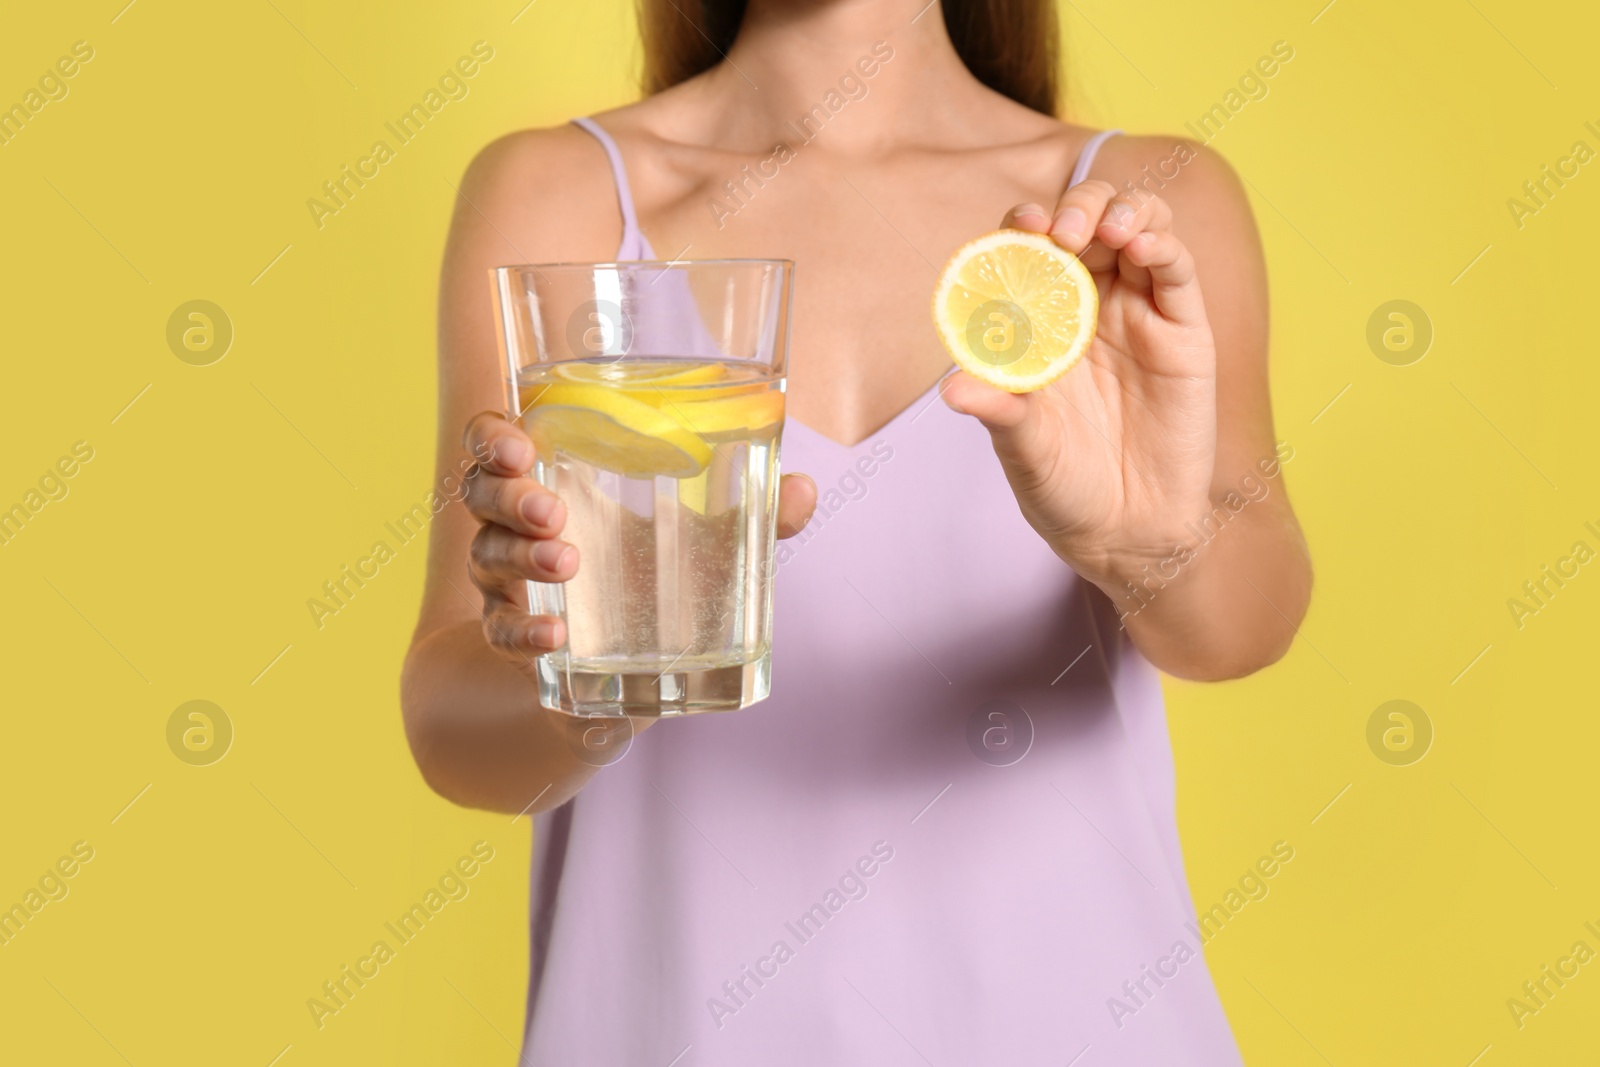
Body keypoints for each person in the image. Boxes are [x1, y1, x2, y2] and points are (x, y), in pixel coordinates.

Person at [402, 0, 1311, 1061]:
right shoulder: (555, 195)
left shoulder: (1137, 207)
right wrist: (589, 679)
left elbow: (1246, 624)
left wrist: (1143, 546)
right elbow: (452, 734)